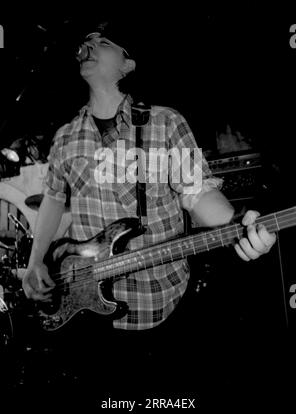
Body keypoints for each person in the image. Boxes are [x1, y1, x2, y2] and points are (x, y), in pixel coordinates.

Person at [21, 23, 276, 403]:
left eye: (103, 42)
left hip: (161, 310)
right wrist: (35, 259)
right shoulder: (64, 137)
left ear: (128, 65)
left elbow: (198, 192)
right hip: (87, 316)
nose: (88, 44)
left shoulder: (165, 122)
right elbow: (55, 199)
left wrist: (240, 227)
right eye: (86, 41)